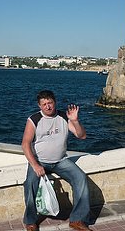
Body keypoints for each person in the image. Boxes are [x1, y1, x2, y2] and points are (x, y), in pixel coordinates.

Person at [22, 90, 92, 231]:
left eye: (50, 103)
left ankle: (77, 219)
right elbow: (25, 143)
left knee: (81, 179)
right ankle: (30, 221)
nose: (47, 106)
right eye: (44, 104)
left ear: (55, 102)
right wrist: (35, 165)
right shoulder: (34, 119)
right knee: (30, 183)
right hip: (40, 161)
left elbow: (82, 136)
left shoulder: (63, 117)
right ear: (39, 105)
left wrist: (75, 121)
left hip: (60, 161)